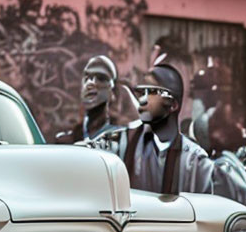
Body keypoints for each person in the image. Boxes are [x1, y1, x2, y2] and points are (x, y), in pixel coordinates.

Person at [88, 60, 214, 195]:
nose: (142, 99)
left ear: (173, 104)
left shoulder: (194, 161)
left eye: (152, 91)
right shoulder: (119, 143)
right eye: (141, 92)